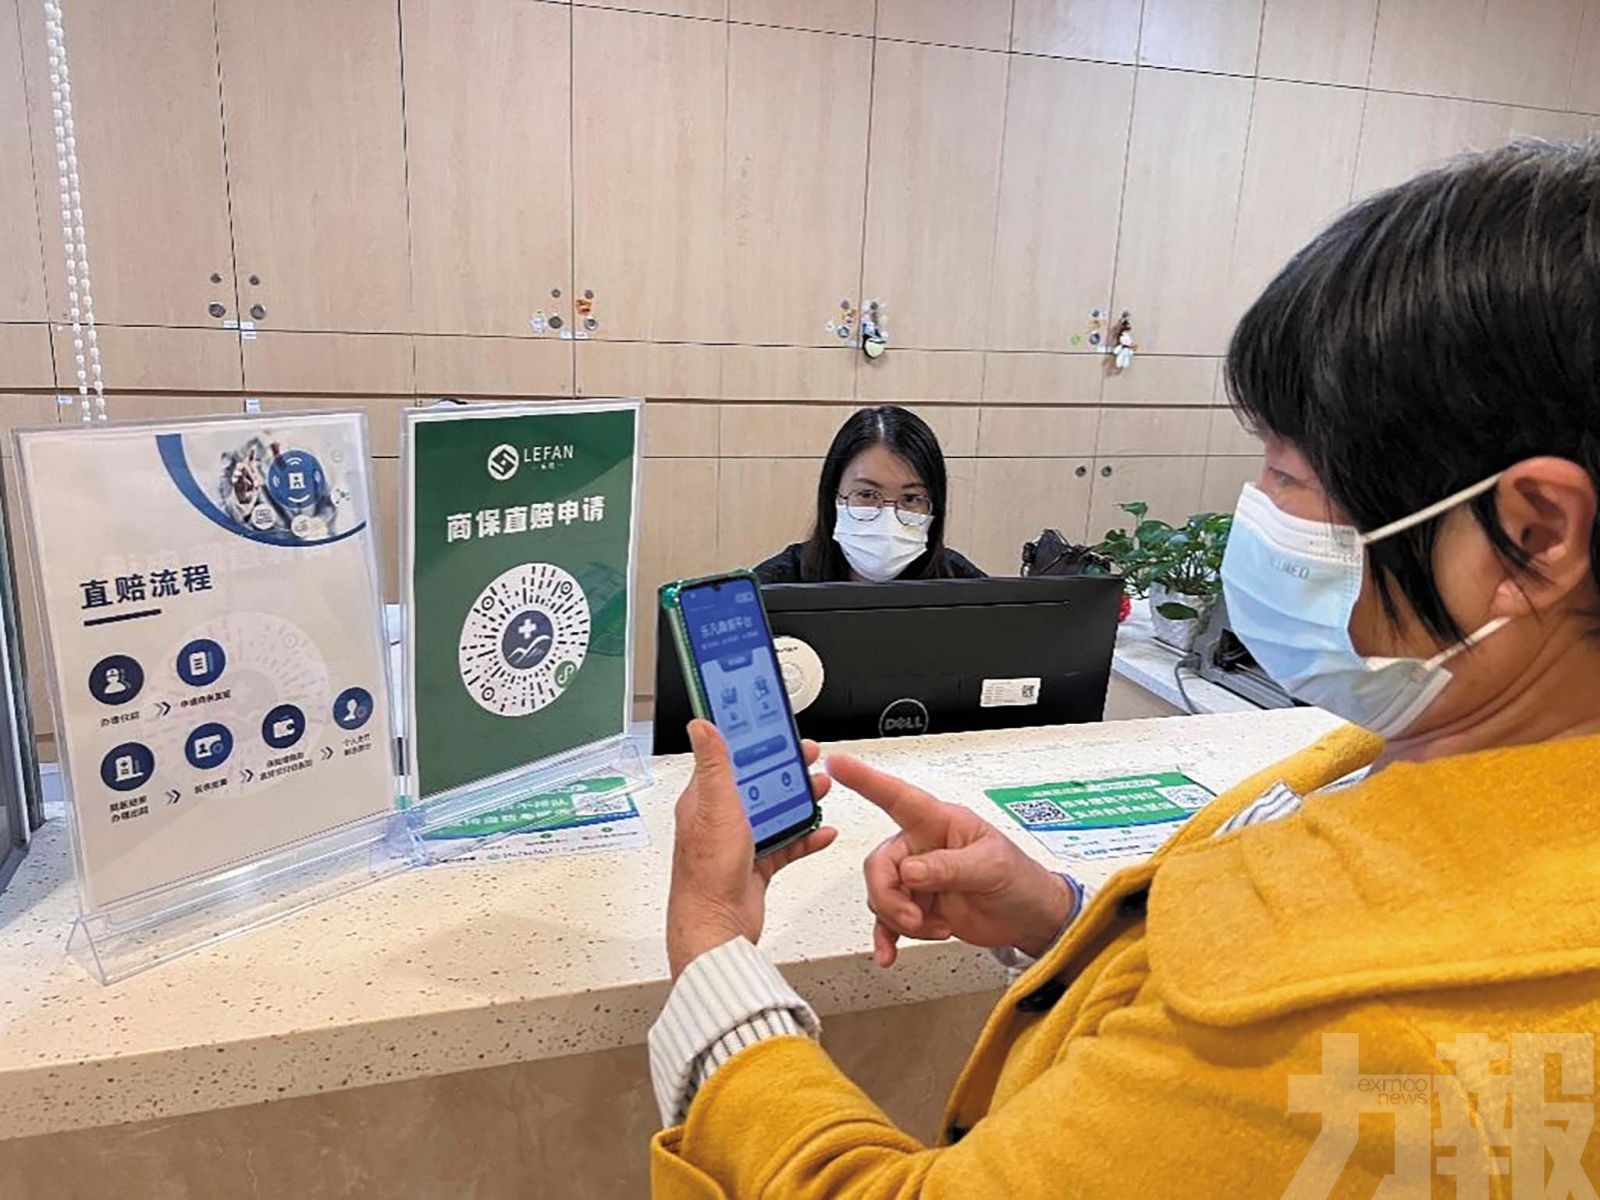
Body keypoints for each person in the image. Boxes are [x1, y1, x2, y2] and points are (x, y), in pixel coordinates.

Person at [647, 138, 1600, 1196]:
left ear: (1532, 535)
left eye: (1288, 475)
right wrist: (1059, 913)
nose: (1256, 513)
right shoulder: (1415, 743)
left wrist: (711, 948)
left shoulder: (1334, 1033)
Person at [752, 405, 984, 584]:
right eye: (866, 494)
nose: (888, 519)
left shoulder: (964, 585)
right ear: (833, 496)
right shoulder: (774, 586)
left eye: (910, 498)